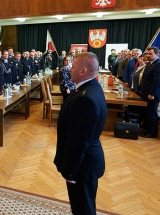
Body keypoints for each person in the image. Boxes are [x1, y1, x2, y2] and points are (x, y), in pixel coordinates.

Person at [54, 52, 107, 215]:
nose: (69, 69)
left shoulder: (85, 98)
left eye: (73, 66)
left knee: (83, 208)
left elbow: (78, 142)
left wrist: (70, 170)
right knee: (83, 205)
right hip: (85, 163)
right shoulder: (90, 88)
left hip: (82, 167)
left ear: (83, 71)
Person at [139, 47, 160, 138]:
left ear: (157, 54)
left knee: (152, 113)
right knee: (147, 112)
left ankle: (152, 132)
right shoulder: (150, 64)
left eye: (150, 54)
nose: (148, 55)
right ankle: (146, 129)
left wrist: (152, 93)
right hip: (146, 92)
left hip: (153, 94)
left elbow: (158, 81)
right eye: (147, 53)